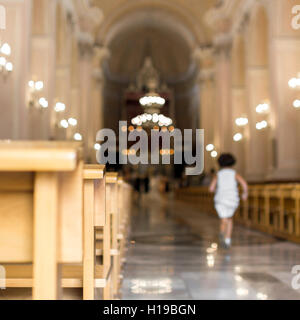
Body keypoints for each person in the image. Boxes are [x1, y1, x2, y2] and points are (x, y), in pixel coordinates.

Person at [209, 153, 248, 249]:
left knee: (224, 219)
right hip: (232, 199)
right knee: (230, 218)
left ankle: (222, 232)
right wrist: (245, 193)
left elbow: (211, 188)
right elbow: (244, 184)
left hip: (221, 198)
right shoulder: (234, 173)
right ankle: (228, 239)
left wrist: (215, 189)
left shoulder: (217, 175)